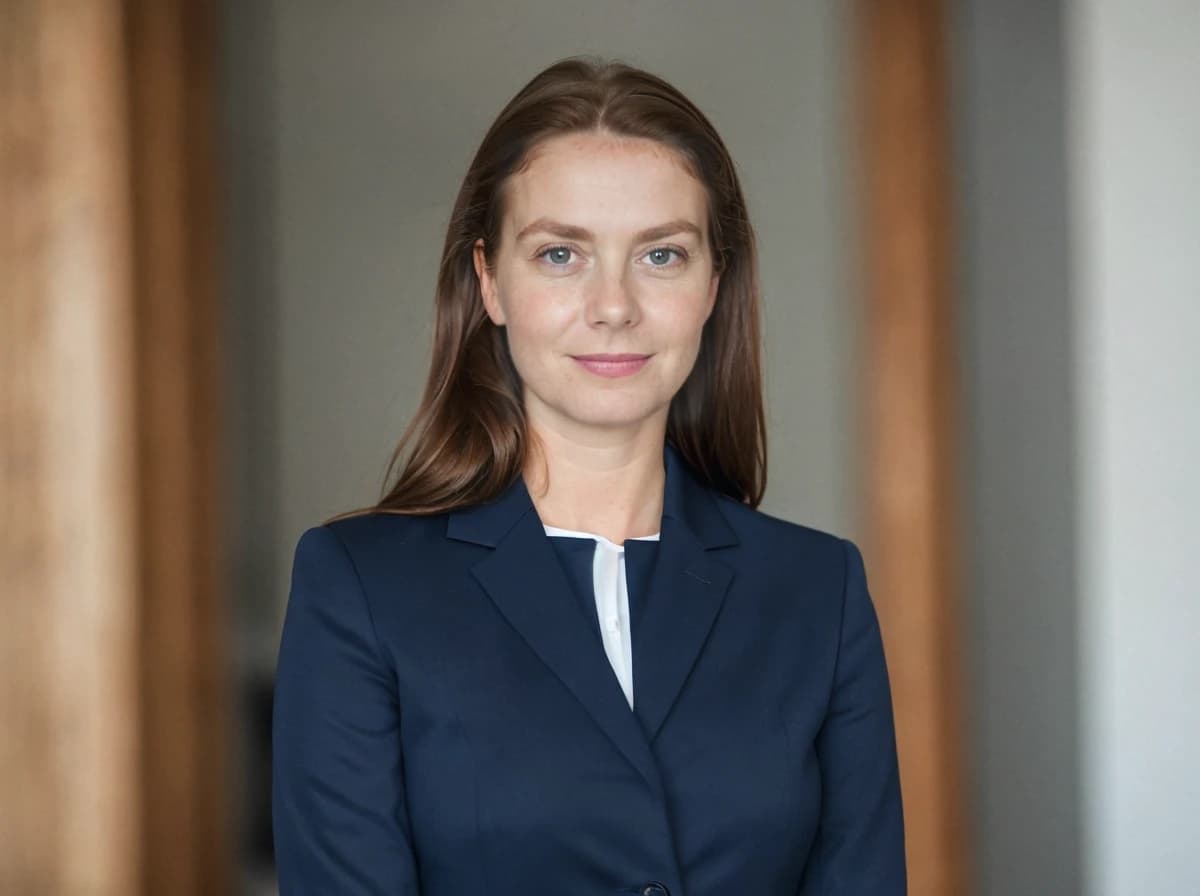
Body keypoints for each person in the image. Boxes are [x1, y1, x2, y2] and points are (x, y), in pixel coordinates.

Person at [271, 57, 905, 895]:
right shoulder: (360, 586)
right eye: (562, 253)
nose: (613, 306)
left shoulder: (818, 592)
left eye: (662, 256)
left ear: (716, 282)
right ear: (490, 280)